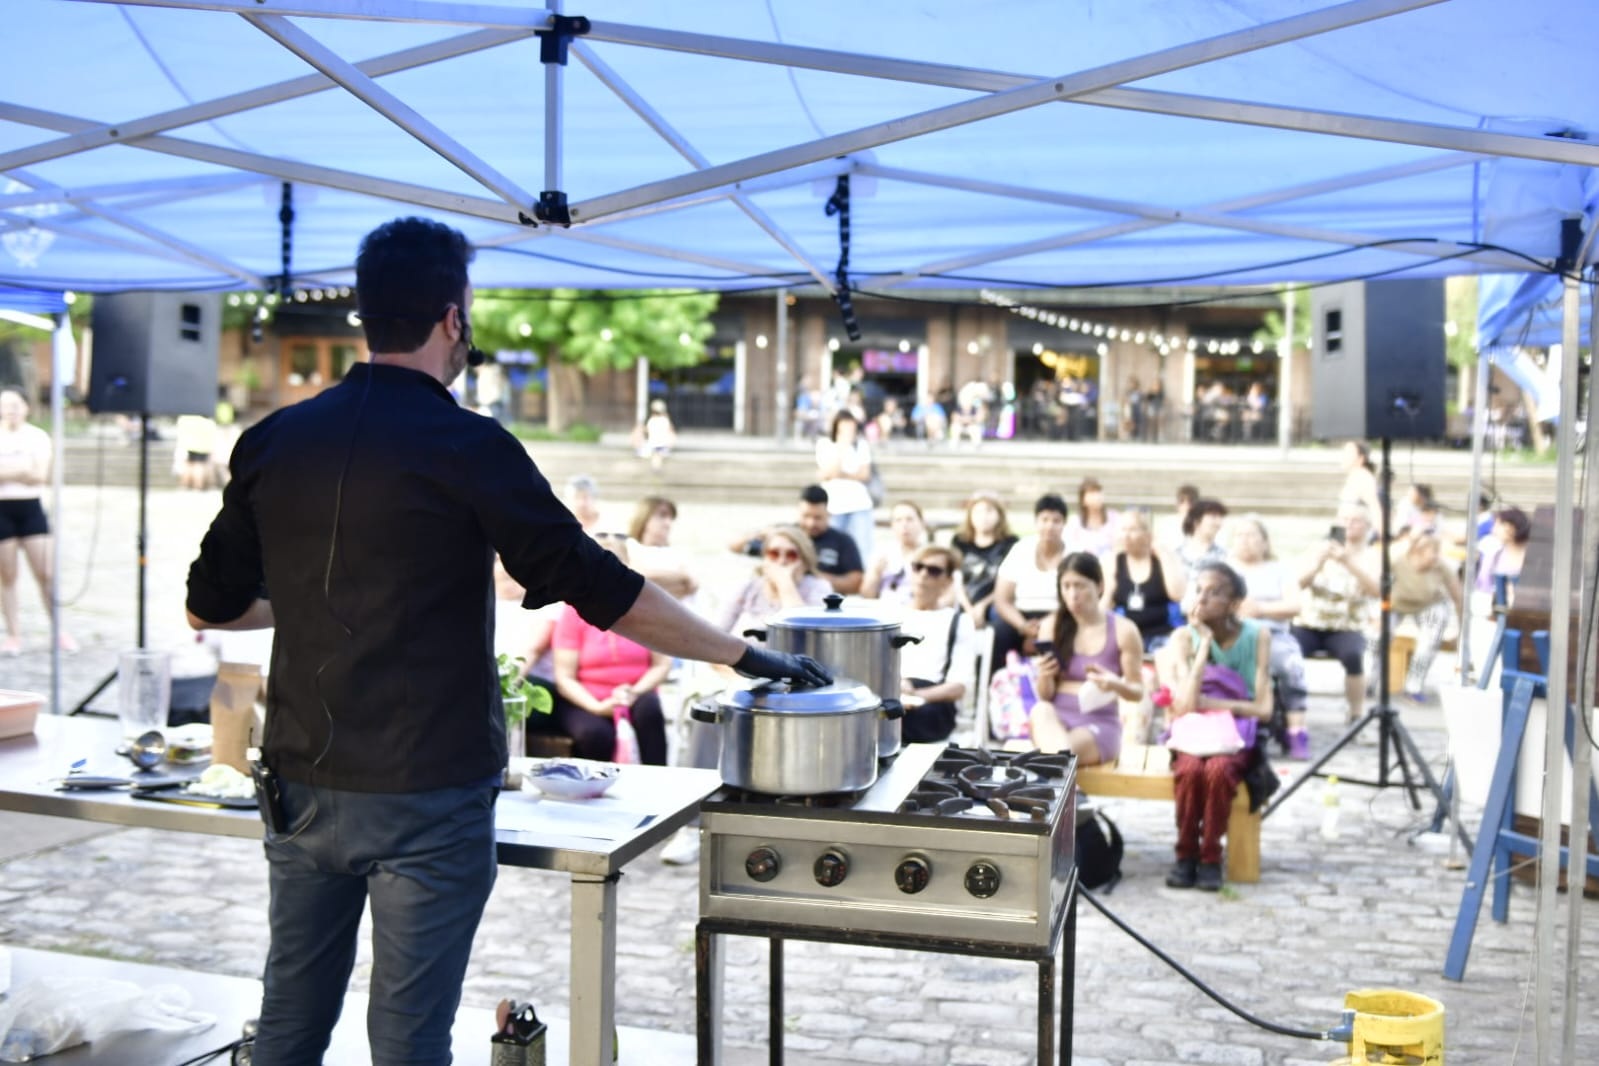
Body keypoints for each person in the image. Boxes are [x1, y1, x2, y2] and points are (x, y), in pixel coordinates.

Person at [183, 216, 828, 1066]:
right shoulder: (469, 445)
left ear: (367, 314)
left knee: (291, 1024)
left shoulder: (272, 440)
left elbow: (209, 608)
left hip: (302, 781)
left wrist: (310, 599)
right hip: (427, 791)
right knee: (408, 1040)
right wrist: (745, 654)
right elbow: (602, 589)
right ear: (453, 318)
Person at [1160, 562, 1272, 892]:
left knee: (1219, 770)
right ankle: (1185, 854)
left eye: (1215, 593)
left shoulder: (1258, 636)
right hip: (1193, 732)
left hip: (1236, 736)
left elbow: (1264, 709)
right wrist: (1204, 646)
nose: (1203, 599)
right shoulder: (1184, 637)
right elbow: (1185, 704)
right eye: (1199, 591)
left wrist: (1218, 706)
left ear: (1235, 603)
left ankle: (1210, 857)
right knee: (1192, 769)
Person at [535, 533, 671, 763]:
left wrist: (634, 692)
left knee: (650, 711)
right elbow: (565, 678)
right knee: (595, 735)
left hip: (636, 693)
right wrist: (597, 707)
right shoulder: (572, 612)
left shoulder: (646, 610)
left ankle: (658, 782)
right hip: (587, 699)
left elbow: (662, 664)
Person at [1029, 553, 1144, 766]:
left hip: (1098, 722)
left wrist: (1114, 684)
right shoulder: (1051, 626)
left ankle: (1066, 789)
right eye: (1066, 586)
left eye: (1080, 586)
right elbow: (1045, 696)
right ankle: (1072, 791)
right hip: (1057, 718)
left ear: (1099, 586)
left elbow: (1137, 692)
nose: (1073, 595)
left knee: (1058, 756)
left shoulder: (1123, 630)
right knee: (1040, 711)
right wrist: (1045, 675)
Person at [1226, 515, 1311, 759]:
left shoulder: (1280, 570)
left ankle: (1297, 731)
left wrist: (1261, 609)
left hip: (1273, 632)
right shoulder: (1224, 569)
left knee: (1290, 666)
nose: (1246, 541)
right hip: (1232, 633)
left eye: (1252, 535)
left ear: (1265, 542)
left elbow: (1295, 604)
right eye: (1240, 535)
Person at [0, 387, 75, 655]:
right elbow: (27, 471)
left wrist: (9, 471)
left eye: (15, 405)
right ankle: (14, 634)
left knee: (46, 572)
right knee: (7, 575)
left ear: (26, 407)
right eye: (5, 405)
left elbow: (39, 474)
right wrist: (22, 469)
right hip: (2, 510)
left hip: (30, 508)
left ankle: (59, 631)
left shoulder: (37, 436)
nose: (10, 410)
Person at [1291, 503, 1380, 725]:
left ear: (1367, 527)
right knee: (1287, 654)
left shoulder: (1373, 556)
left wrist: (1348, 563)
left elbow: (1376, 590)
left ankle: (1356, 713)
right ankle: (1288, 709)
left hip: (1347, 625)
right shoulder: (1316, 550)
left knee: (1354, 656)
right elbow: (1297, 584)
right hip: (1309, 621)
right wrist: (1318, 563)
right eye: (1344, 519)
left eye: (1355, 520)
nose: (1349, 525)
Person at [895, 544, 977, 743]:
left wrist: (917, 695)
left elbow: (957, 687)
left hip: (933, 701)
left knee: (901, 717)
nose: (923, 575)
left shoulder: (958, 622)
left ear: (947, 580)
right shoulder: (892, 615)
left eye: (934, 571)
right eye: (918, 567)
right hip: (894, 691)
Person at [729, 485, 863, 596]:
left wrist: (808, 575)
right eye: (806, 516)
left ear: (828, 514)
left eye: (818, 518)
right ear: (798, 511)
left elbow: (856, 582)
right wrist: (761, 534)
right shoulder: (783, 535)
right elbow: (734, 546)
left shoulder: (843, 541)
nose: (811, 523)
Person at [990, 494, 1070, 664]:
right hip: (1020, 616)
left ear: (1064, 523)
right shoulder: (1020, 550)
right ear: (1036, 522)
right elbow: (1002, 599)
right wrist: (1023, 627)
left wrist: (1046, 626)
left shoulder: (1074, 553)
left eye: (1056, 521)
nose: (1050, 526)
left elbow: (1076, 599)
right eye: (1044, 519)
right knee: (1000, 631)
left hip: (1060, 616)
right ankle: (997, 684)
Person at [1389, 532, 1463, 703]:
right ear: (1418, 551)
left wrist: (1461, 628)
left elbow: (1457, 596)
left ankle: (1413, 686)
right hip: (1396, 604)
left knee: (1428, 642)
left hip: (1429, 606)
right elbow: (1377, 586)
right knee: (1378, 636)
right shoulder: (1398, 560)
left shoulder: (1441, 566)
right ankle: (1371, 683)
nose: (1436, 556)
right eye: (1433, 551)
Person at [1105, 508, 1183, 652]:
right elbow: (1104, 606)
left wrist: (1164, 555)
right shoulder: (1112, 561)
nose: (1126, 536)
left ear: (1148, 535)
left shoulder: (1162, 559)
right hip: (1125, 635)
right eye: (1123, 530)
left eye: (1132, 530)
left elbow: (1177, 594)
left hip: (1161, 634)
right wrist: (1110, 582)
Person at [952, 490, 1019, 635]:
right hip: (964, 601)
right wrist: (969, 609)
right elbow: (955, 580)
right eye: (978, 512)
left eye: (989, 511)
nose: (983, 517)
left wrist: (982, 606)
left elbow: (1009, 584)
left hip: (995, 601)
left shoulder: (1010, 544)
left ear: (999, 515)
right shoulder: (959, 542)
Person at [815, 411, 875, 562]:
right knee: (833, 548)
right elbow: (829, 472)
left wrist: (842, 474)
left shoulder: (861, 445)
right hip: (834, 505)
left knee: (862, 548)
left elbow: (865, 475)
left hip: (859, 504)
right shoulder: (825, 444)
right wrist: (842, 448)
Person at [625, 495, 697, 602]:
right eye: (662, 516)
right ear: (644, 517)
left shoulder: (678, 553)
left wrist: (655, 580)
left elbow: (692, 585)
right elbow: (632, 578)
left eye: (671, 518)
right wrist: (681, 576)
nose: (668, 523)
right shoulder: (629, 546)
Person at [862, 499, 931, 603]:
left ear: (922, 523)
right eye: (898, 520)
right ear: (892, 526)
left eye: (910, 519)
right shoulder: (881, 553)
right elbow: (867, 595)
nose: (904, 525)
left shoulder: (931, 555)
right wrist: (876, 574)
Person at [1064, 476, 1116, 557]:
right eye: (1091, 492)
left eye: (1098, 491)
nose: (1096, 496)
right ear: (1083, 500)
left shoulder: (1114, 518)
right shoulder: (1074, 523)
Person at [1338, 440, 1382, 523]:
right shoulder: (1354, 476)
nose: (1344, 457)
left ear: (1361, 458)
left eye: (1349, 453)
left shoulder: (1363, 477)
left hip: (1358, 529)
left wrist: (1380, 533)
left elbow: (1375, 507)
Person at [636, 398, 676, 473]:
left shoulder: (651, 420)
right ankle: (656, 467)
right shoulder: (665, 420)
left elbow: (644, 431)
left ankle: (656, 467)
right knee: (657, 453)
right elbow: (671, 432)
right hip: (661, 447)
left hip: (653, 446)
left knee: (655, 453)